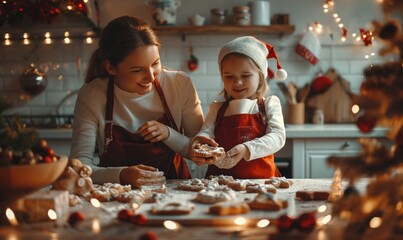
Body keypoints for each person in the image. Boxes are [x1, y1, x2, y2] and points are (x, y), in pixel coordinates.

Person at [69, 16, 204, 187]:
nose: (150, 76)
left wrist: (169, 134)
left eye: (155, 63)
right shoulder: (92, 94)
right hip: (116, 198)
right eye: (137, 70)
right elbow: (79, 167)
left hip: (176, 194)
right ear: (111, 67)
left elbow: (199, 151)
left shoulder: (179, 84)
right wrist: (121, 175)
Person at [189, 36, 287, 179]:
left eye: (245, 75)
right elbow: (206, 133)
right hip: (219, 184)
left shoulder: (269, 104)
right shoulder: (217, 108)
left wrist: (246, 149)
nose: (237, 83)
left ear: (260, 76)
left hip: (261, 183)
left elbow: (278, 137)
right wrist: (199, 142)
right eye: (229, 77)